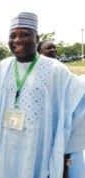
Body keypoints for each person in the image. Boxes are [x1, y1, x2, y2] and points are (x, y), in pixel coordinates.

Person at [0, 12, 85, 178]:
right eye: (13, 35)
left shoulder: (56, 71)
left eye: (24, 35)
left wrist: (65, 153)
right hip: (4, 150)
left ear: (37, 37)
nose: (17, 40)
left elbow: (77, 101)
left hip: (38, 150)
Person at [38, 40, 85, 178]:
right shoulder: (35, 72)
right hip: (44, 127)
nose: (53, 50)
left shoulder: (62, 70)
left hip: (64, 125)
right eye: (48, 48)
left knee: (68, 164)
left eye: (54, 47)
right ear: (39, 51)